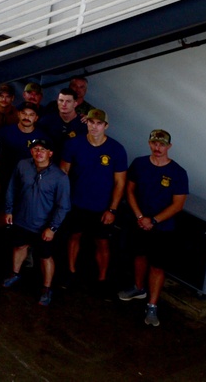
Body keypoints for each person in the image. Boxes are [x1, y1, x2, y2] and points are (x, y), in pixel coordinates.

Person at [118, 129, 189, 327]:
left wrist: (154, 221)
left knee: (157, 266)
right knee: (139, 255)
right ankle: (139, 288)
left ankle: (152, 305)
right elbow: (130, 190)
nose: (157, 148)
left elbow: (178, 205)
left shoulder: (178, 173)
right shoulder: (139, 164)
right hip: (139, 223)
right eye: (154, 143)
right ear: (149, 143)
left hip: (162, 228)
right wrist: (140, 217)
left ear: (169, 147)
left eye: (162, 144)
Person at [60, 108, 128, 289]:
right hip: (76, 202)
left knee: (102, 242)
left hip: (102, 207)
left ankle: (102, 280)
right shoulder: (74, 144)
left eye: (99, 123)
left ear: (106, 126)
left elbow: (120, 183)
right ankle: (71, 272)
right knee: (74, 237)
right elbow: (63, 172)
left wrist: (112, 209)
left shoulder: (116, 149)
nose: (94, 127)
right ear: (87, 123)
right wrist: (62, 201)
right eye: (91, 122)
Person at [2, 138, 71, 306]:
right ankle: (15, 273)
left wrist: (52, 228)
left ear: (50, 153)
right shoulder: (22, 166)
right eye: (35, 149)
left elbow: (63, 206)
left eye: (43, 149)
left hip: (43, 225)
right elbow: (12, 188)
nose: (38, 152)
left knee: (45, 257)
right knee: (19, 247)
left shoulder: (60, 177)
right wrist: (9, 210)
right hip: (21, 219)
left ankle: (47, 288)